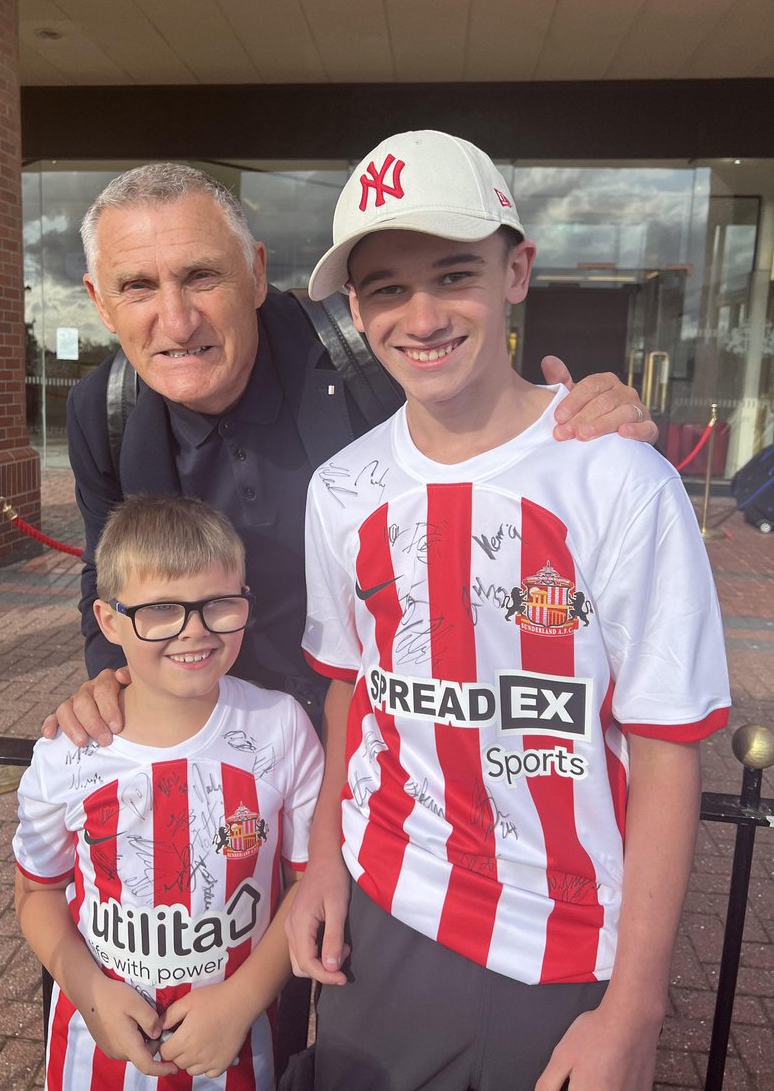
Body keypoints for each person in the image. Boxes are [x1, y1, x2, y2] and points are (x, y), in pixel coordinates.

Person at [287, 130, 731, 1091]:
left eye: (455, 275)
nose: (423, 315)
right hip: (380, 908)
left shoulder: (620, 480)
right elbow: (349, 700)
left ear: (516, 271)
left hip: (555, 942)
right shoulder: (340, 488)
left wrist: (636, 1010)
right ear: (357, 311)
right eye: (386, 289)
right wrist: (321, 864)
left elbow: (665, 747)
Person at [49, 163, 657, 748]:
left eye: (203, 276)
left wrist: (589, 424)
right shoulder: (103, 410)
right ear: (100, 303)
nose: (177, 322)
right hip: (223, 727)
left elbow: (500, 440)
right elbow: (105, 567)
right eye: (137, 287)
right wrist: (111, 673)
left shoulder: (370, 357)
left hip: (381, 729)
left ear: (257, 273)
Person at [14, 495, 323, 1089]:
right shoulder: (67, 752)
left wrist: (242, 1000)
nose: (195, 632)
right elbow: (36, 890)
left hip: (240, 1054)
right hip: (92, 1054)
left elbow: (307, 885)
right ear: (108, 621)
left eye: (219, 605)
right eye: (160, 610)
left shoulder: (280, 728)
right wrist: (91, 994)